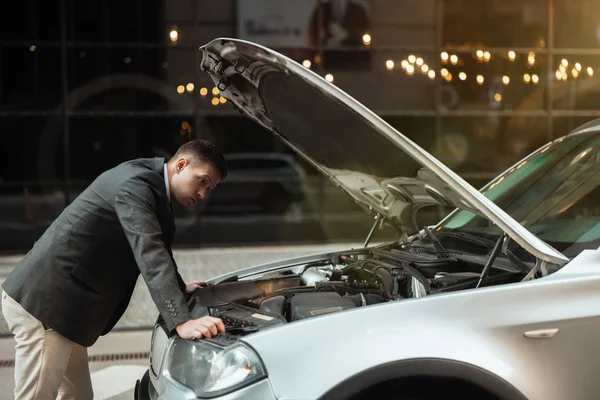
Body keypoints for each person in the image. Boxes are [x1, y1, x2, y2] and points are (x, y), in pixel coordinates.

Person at [1, 139, 228, 399]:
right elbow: (149, 249)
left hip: (68, 309)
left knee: (78, 396)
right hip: (47, 306)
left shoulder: (151, 183)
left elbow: (157, 248)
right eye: (202, 181)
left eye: (208, 188)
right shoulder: (136, 185)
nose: (202, 194)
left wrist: (179, 287)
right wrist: (183, 322)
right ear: (181, 164)